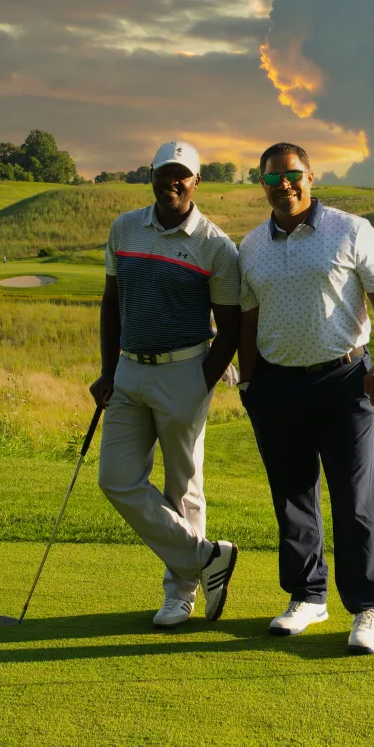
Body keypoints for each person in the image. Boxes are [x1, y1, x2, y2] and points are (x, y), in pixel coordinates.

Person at [236, 142, 374, 655]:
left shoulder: (350, 230)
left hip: (344, 380)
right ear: (260, 183)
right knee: (291, 498)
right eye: (271, 179)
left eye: (292, 176)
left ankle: (368, 608)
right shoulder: (251, 245)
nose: (283, 186)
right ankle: (308, 596)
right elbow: (247, 316)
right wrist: (248, 381)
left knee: (355, 500)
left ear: (311, 177)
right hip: (276, 385)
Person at [90, 140, 242, 630]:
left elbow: (231, 327)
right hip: (130, 369)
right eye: (164, 172)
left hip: (185, 370)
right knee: (114, 478)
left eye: (183, 175)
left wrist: (202, 380)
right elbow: (111, 304)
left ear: (197, 182)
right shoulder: (125, 228)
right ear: (150, 175)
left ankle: (181, 593)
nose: (172, 181)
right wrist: (108, 369)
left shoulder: (216, 246)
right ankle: (206, 557)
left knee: (183, 486)